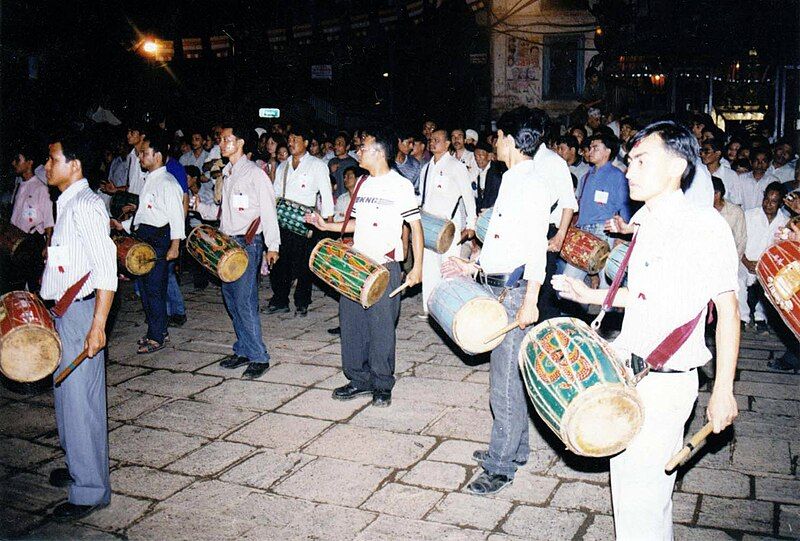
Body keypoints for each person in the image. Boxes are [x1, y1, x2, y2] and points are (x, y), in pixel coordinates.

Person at [553, 120, 739, 540]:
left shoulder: (704, 226)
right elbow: (644, 295)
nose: (630, 170)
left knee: (640, 500)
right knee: (642, 499)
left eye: (640, 161)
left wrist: (724, 389)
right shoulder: (646, 221)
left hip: (665, 380)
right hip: (630, 372)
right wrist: (592, 294)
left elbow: (729, 311)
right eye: (630, 160)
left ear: (677, 167)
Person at [445, 106, 551, 494]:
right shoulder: (512, 179)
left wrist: (531, 300)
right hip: (497, 285)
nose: (495, 142)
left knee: (503, 383)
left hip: (515, 292)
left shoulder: (533, 185)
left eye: (498, 136)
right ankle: (517, 449)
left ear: (509, 139)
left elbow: (536, 249)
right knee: (509, 378)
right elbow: (504, 240)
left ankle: (500, 466)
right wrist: (473, 266)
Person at [306, 126, 424, 407]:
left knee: (381, 326)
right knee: (351, 323)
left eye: (363, 148)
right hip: (356, 265)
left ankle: (382, 383)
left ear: (379, 152)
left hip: (384, 265)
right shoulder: (363, 184)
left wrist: (417, 267)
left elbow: (415, 229)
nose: (358, 151)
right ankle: (358, 379)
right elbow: (356, 223)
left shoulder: (401, 185)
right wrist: (327, 226)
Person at [41, 132, 117, 521]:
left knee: (82, 403)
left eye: (53, 159)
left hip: (82, 314)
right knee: (66, 398)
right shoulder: (67, 204)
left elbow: (107, 270)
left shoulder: (86, 205)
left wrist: (98, 326)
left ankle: (90, 490)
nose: (47, 165)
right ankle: (77, 467)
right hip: (64, 314)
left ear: (75, 166)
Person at [209, 125, 281, 379]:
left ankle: (259, 356)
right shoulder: (227, 173)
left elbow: (269, 211)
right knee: (231, 299)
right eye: (221, 139)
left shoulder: (255, 174)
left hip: (248, 243)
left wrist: (273, 246)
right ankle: (243, 349)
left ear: (240, 142)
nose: (222, 143)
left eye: (227, 139)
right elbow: (226, 213)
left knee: (244, 300)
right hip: (228, 243)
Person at [112, 134, 184, 353]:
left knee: (154, 289)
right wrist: (122, 227)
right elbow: (144, 215)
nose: (141, 157)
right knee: (145, 287)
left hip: (159, 239)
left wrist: (175, 246)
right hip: (145, 236)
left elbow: (176, 217)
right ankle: (158, 330)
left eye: (144, 153)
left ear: (158, 156)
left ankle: (156, 336)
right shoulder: (150, 180)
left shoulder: (168, 182)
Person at [268, 125, 333, 316]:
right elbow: (276, 194)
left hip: (307, 222)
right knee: (281, 262)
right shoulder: (284, 166)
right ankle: (280, 299)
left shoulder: (317, 165)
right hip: (284, 221)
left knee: (304, 265)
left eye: (296, 139)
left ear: (305, 142)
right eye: (289, 139)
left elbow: (326, 196)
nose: (291, 143)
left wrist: (328, 225)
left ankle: (302, 302)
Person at [418, 129, 476, 313]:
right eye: (431, 140)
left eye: (437, 140)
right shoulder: (426, 168)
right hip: (429, 226)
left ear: (447, 143)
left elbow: (468, 197)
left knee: (449, 267)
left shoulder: (455, 166)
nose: (432, 143)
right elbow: (422, 198)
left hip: (449, 225)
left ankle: (449, 309)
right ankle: (429, 308)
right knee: (429, 268)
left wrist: (471, 225)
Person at [563, 132, 631, 289]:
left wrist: (621, 238)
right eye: (590, 148)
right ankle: (581, 312)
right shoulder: (585, 177)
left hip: (606, 233)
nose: (590, 151)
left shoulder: (617, 176)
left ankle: (605, 314)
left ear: (608, 151)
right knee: (567, 284)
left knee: (606, 289)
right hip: (584, 234)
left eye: (596, 148)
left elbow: (624, 207)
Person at [739, 182, 788, 334]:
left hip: (768, 265)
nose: (768, 204)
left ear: (781, 203)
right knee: (737, 278)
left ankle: (761, 317)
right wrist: (746, 262)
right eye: (766, 199)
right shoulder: (748, 215)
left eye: (774, 201)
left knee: (774, 281)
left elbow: (782, 252)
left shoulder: (785, 222)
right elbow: (739, 241)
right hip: (745, 260)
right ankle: (743, 317)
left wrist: (764, 266)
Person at [8, 140, 54, 291]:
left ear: (29, 163)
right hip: (16, 242)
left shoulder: (40, 189)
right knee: (17, 287)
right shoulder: (20, 186)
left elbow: (48, 221)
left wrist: (47, 246)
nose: (14, 163)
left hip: (32, 244)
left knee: (35, 287)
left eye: (18, 160)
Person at [712, 177, 747, 260]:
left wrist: (733, 263)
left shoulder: (735, 212)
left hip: (727, 260)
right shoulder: (702, 210)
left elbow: (741, 241)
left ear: (717, 194)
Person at [473, 140, 506, 211]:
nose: (477, 159)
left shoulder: (496, 173)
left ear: (490, 156)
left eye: (480, 155)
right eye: (475, 156)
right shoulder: (480, 171)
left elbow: (494, 197)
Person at [328, 132, 358, 197]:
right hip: (332, 199)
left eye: (340, 144)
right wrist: (330, 171)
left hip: (346, 198)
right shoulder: (331, 161)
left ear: (347, 147)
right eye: (335, 144)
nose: (336, 146)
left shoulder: (352, 163)